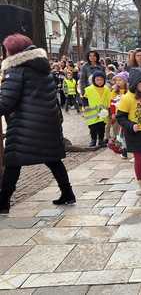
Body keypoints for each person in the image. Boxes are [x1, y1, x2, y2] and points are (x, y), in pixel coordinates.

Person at [0, 34, 76, 214]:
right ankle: (68, 193)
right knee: (53, 159)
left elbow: (6, 101)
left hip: (25, 126)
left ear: (12, 51)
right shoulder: (43, 69)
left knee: (12, 162)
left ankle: (3, 202)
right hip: (47, 124)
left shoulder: (17, 70)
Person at [82, 70, 110, 147]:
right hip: (91, 111)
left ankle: (101, 140)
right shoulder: (89, 89)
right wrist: (85, 106)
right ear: (94, 80)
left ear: (104, 80)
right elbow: (84, 99)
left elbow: (109, 100)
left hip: (103, 111)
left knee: (101, 127)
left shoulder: (107, 89)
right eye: (97, 80)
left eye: (101, 79)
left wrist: (110, 109)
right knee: (93, 127)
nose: (99, 81)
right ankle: (93, 140)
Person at [109, 71, 129, 155]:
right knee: (119, 133)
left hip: (126, 115)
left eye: (120, 80)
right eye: (116, 80)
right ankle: (122, 149)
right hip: (117, 115)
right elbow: (112, 103)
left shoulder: (129, 91)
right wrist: (113, 113)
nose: (118, 82)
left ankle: (127, 148)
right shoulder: (114, 91)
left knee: (126, 133)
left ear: (125, 81)